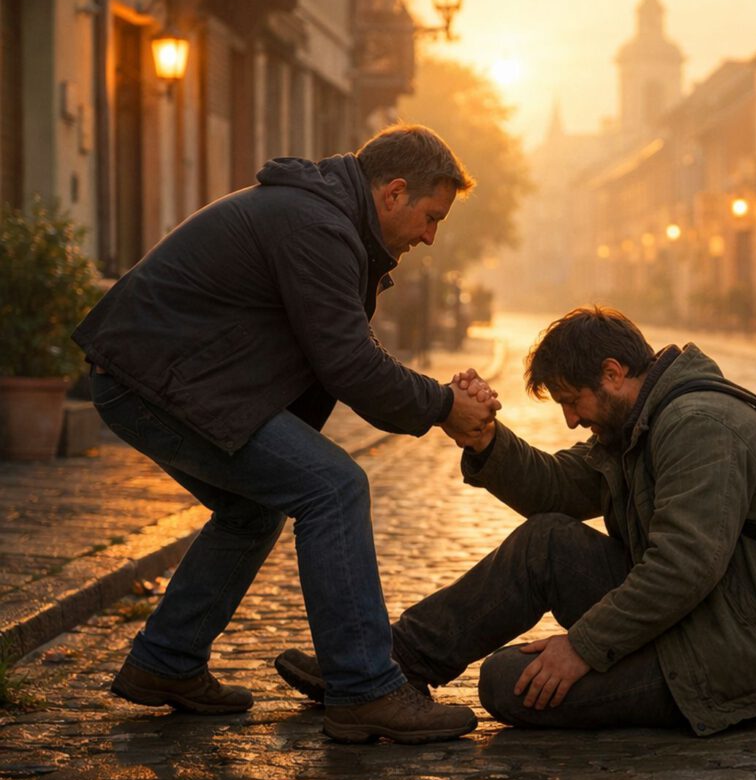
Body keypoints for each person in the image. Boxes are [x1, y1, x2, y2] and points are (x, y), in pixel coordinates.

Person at [73, 124, 499, 744]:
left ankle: (165, 662)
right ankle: (364, 689)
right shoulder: (318, 226)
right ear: (394, 192)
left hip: (165, 377)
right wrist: (442, 407)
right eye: (431, 217)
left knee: (252, 511)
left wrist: (439, 400)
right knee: (334, 486)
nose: (432, 236)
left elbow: (338, 353)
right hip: (153, 379)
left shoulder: (326, 220)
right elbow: (350, 365)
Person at [275, 306, 756, 736]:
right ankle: (383, 667)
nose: (572, 421)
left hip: (754, 650)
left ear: (611, 373)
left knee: (505, 683)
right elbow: (556, 487)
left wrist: (581, 647)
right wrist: (485, 440)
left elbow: (685, 567)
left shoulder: (698, 424)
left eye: (571, 401)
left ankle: (383, 671)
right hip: (709, 618)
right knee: (546, 542)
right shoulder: (638, 423)